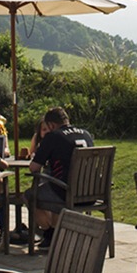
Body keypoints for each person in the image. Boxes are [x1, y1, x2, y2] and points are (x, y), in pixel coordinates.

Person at [29, 106, 94, 250]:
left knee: (29, 195)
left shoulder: (53, 137)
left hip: (66, 192)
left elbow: (34, 168)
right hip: (90, 192)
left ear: (51, 125)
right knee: (53, 190)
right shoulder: (86, 134)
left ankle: (49, 233)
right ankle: (57, 233)